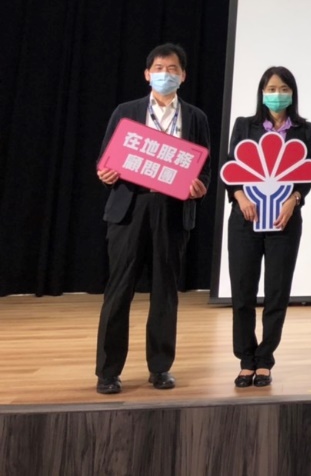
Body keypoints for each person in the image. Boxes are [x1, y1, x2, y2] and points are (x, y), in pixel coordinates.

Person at [93, 43, 211, 394]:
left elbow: (204, 168)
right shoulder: (126, 111)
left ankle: (160, 368)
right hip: (130, 209)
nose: (165, 74)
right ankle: (107, 371)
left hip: (171, 211)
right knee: (119, 291)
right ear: (147, 74)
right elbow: (105, 159)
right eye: (159, 68)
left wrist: (200, 187)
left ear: (183, 76)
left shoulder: (195, 117)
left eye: (173, 69)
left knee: (165, 292)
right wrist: (105, 173)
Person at [225, 66, 311, 387]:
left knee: (277, 293)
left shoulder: (304, 128)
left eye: (284, 89)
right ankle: (245, 359)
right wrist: (239, 197)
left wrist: (295, 199)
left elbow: (306, 174)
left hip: (284, 221)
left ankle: (265, 359)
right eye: (272, 89)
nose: (278, 94)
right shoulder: (244, 125)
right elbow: (230, 166)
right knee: (243, 292)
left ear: (293, 93)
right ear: (262, 93)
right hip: (245, 219)